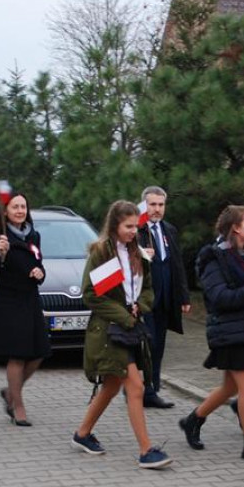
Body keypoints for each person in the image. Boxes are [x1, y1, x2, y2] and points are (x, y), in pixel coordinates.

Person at [73, 200, 172, 469]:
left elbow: (149, 288)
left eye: (135, 226)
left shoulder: (139, 253)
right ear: (115, 225)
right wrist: (124, 316)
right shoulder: (100, 253)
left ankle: (82, 434)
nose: (133, 231)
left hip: (130, 327)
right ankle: (146, 451)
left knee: (113, 385)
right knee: (135, 387)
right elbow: (91, 295)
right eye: (128, 226)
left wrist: (143, 304)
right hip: (109, 331)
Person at [179, 205, 244, 463]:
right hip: (227, 330)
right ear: (235, 227)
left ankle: (193, 420)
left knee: (230, 386)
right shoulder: (214, 257)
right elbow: (219, 297)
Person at [0, 191, 50, 425]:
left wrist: (39, 272)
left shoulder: (34, 236)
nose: (20, 211)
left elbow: (38, 263)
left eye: (23, 206)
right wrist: (1, 255)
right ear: (5, 211)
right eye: (15, 207)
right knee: (18, 355)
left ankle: (11, 392)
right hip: (6, 300)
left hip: (29, 299)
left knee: (40, 352)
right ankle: (18, 407)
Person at [137, 186, 191, 408]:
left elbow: (177, 264)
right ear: (144, 206)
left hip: (166, 298)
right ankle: (140, 388)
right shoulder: (136, 231)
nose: (156, 209)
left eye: (160, 205)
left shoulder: (168, 230)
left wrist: (184, 296)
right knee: (147, 344)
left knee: (159, 345)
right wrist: (140, 254)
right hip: (145, 299)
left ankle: (152, 389)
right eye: (152, 205)